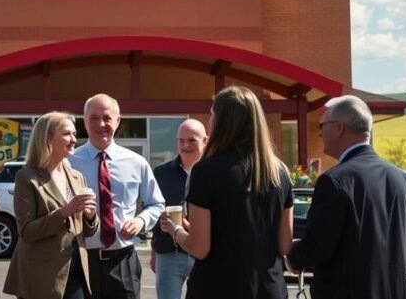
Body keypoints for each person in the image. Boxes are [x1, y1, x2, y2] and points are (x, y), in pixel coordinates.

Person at [159, 85, 294, 299]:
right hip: (270, 289)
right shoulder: (280, 171)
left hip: (218, 288)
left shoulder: (205, 171)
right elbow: (284, 244)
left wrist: (176, 230)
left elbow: (199, 247)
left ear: (222, 121)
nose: (210, 121)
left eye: (212, 114)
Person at [286, 95, 406, 299]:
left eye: (323, 126)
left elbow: (318, 246)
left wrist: (292, 257)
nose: (320, 133)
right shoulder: (400, 178)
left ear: (339, 128)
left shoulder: (334, 181)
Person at [69, 94, 165, 299]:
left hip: (123, 262)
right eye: (93, 118)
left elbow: (157, 203)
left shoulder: (136, 162)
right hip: (80, 262)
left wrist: (140, 221)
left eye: (107, 117)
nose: (101, 124)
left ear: (118, 120)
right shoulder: (69, 163)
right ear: (84, 121)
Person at [3, 112, 98, 299]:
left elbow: (87, 231)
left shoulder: (77, 176)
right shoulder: (26, 177)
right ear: (46, 137)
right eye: (66, 134)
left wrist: (90, 216)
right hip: (41, 277)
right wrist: (65, 212)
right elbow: (27, 232)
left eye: (74, 133)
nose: (73, 139)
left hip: (76, 270)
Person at [150, 119, 208, 299]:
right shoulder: (161, 172)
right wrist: (154, 253)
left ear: (205, 141)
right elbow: (154, 209)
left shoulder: (214, 173)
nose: (185, 145)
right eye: (181, 140)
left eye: (192, 140)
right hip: (169, 253)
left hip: (204, 254)